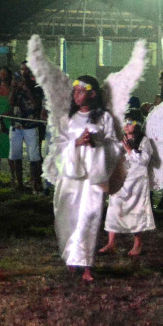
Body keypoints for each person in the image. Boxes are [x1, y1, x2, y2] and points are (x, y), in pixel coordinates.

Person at [52, 76, 120, 281]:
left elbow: (115, 147)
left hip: (93, 177)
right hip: (72, 177)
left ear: (93, 93)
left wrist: (97, 142)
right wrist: (76, 143)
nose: (77, 95)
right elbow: (58, 146)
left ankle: (87, 264)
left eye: (81, 91)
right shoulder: (67, 119)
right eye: (75, 91)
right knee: (70, 218)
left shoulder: (105, 118)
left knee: (89, 216)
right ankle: (73, 258)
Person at [102, 117, 163, 257]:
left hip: (137, 182)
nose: (127, 125)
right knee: (114, 207)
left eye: (130, 123)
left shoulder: (144, 141)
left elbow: (144, 160)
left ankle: (138, 243)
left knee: (137, 211)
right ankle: (111, 243)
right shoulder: (120, 138)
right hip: (121, 179)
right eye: (126, 123)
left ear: (137, 125)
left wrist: (130, 150)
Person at [9, 64, 47, 191]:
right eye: (21, 69)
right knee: (16, 155)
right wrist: (14, 89)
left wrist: (26, 88)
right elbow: (11, 102)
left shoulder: (36, 86)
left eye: (26, 69)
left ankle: (35, 183)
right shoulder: (16, 86)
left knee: (34, 156)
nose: (23, 71)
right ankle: (19, 183)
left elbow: (36, 104)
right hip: (16, 124)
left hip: (31, 124)